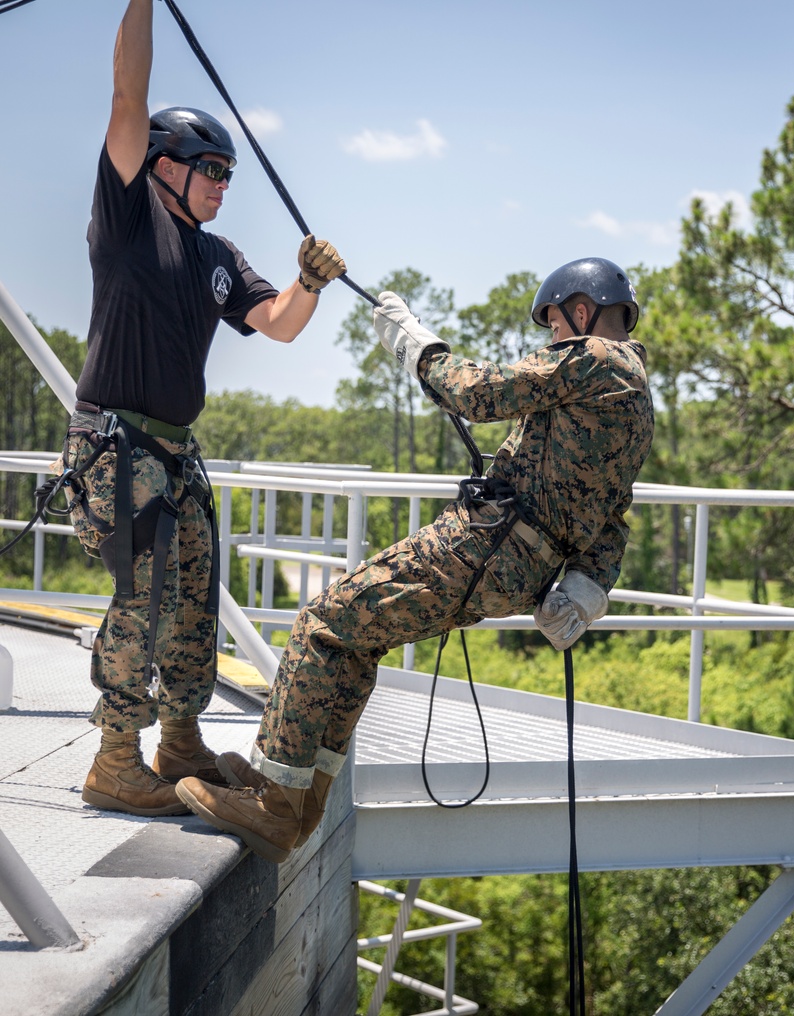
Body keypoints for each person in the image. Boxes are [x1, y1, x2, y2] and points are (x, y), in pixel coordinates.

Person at [176, 257, 655, 862]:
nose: (553, 339)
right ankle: (301, 795)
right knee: (356, 638)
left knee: (322, 623)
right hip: (522, 566)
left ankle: (275, 804)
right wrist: (586, 589)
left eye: (555, 325)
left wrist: (416, 345)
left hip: (487, 545)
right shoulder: (636, 398)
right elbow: (612, 516)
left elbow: (476, 394)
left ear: (581, 313)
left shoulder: (593, 358)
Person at [64, 0, 345, 818]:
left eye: (230, 173)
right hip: (117, 444)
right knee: (141, 599)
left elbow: (281, 324)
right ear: (164, 164)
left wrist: (313, 282)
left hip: (176, 455)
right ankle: (116, 760)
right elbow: (127, 96)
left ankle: (178, 741)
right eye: (211, 169)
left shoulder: (219, 256)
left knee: (193, 602)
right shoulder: (127, 216)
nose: (224, 185)